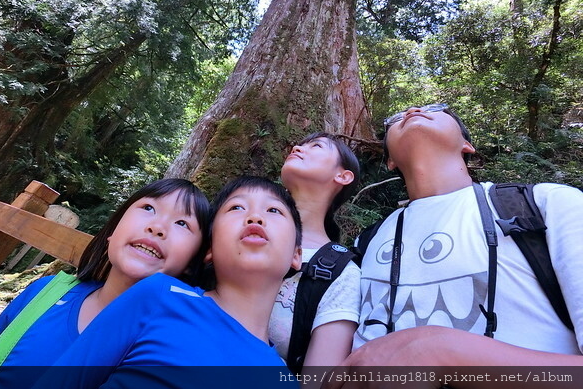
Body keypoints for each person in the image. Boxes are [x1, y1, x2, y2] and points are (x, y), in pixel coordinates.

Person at [332, 104, 583, 388]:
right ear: (389, 161)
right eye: (396, 117)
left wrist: (442, 353)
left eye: (435, 109)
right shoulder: (367, 240)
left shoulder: (546, 205)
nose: (413, 110)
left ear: (467, 145)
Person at [29, 176, 303, 389]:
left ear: (296, 255)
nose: (255, 217)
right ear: (209, 249)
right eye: (237, 207)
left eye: (274, 211)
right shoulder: (159, 296)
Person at [0, 179, 211, 389]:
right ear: (112, 231)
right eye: (148, 208)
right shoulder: (44, 293)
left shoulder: (170, 344)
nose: (158, 226)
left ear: (192, 261)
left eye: (182, 223)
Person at [269, 132, 361, 370]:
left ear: (343, 176)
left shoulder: (342, 272)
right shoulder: (244, 224)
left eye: (317, 146)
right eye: (300, 144)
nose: (298, 147)